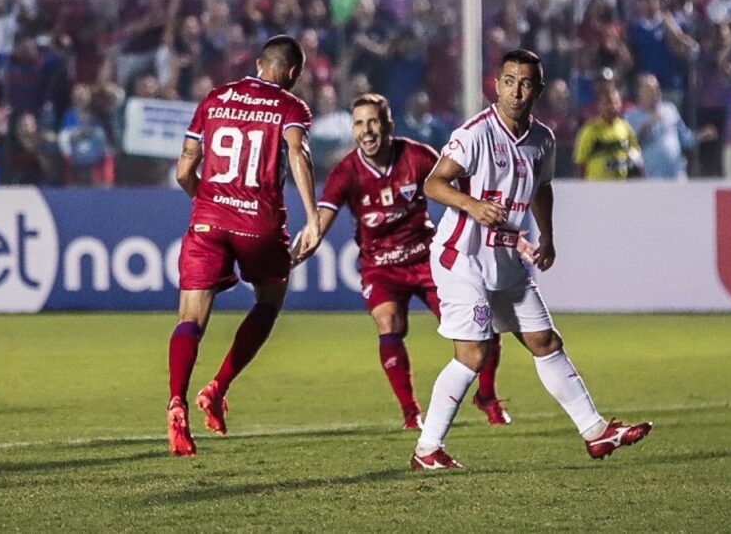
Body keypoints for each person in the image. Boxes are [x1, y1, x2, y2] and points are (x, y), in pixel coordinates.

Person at [411, 49, 652, 470]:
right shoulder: (475, 134)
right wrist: (472, 204)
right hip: (462, 257)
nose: (516, 91)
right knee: (472, 355)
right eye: (509, 81)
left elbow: (542, 188)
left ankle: (596, 433)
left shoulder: (543, 139)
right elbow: (433, 183)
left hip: (506, 258)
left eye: (525, 83)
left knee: (546, 342)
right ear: (497, 84)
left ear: (537, 89)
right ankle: (427, 449)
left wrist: (549, 238)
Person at [297, 93, 511, 430]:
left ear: (388, 125)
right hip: (380, 267)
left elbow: (458, 188)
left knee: (479, 328)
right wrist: (304, 244)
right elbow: (322, 217)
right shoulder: (346, 172)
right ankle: (411, 414)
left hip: (428, 259)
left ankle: (486, 395)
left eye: (372, 122)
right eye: (359, 124)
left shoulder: (417, 156)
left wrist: (478, 209)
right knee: (389, 323)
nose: (366, 131)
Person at [167, 35, 321, 457]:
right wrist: (312, 217)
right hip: (260, 223)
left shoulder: (214, 100)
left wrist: (207, 201)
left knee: (190, 319)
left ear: (257, 64)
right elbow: (297, 151)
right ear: (293, 73)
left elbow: (184, 170)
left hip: (208, 218)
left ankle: (176, 402)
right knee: (269, 301)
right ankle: (216, 388)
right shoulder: (291, 107)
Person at [624, 73, 717, 179]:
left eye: (657, 88)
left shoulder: (670, 109)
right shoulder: (631, 116)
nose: (655, 92)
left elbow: (685, 139)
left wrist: (701, 135)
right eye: (650, 89)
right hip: (651, 177)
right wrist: (646, 127)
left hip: (676, 173)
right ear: (640, 92)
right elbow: (628, 146)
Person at [573, 82, 642, 180]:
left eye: (616, 102)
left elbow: (636, 154)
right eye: (608, 102)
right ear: (599, 105)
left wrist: (629, 159)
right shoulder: (590, 130)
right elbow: (580, 162)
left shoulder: (625, 128)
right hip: (596, 187)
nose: (612, 107)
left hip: (620, 186)